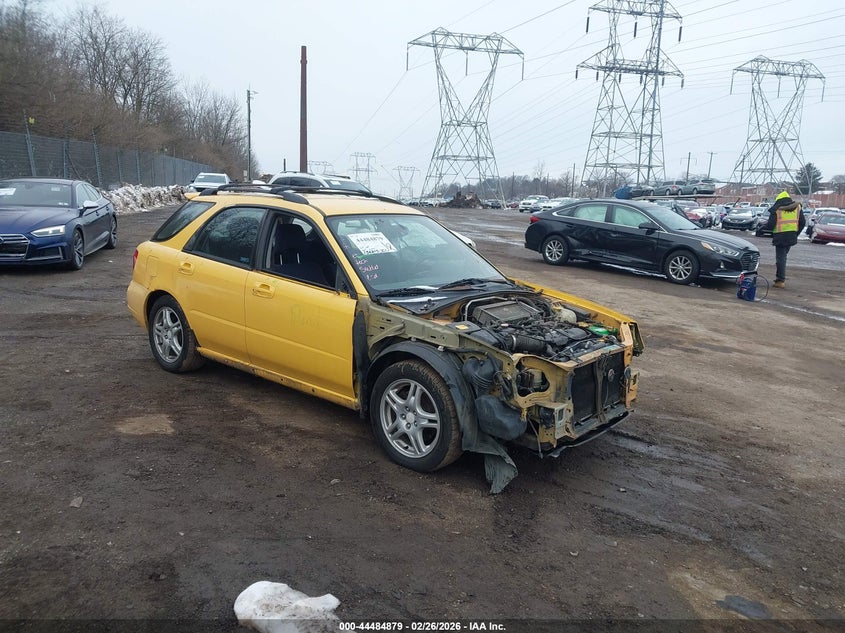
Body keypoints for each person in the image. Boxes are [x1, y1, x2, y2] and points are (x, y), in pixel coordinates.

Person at [763, 191, 805, 288]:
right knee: (783, 257)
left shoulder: (777, 209)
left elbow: (770, 225)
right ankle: (780, 278)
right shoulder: (797, 207)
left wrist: (765, 228)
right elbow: (802, 222)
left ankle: (780, 280)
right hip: (791, 236)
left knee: (781, 259)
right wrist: (796, 233)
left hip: (780, 236)